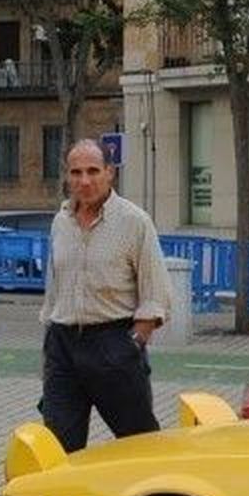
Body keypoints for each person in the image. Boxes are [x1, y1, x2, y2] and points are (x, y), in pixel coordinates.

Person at [39, 139, 172, 452]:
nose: (84, 181)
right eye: (76, 172)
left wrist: (133, 345)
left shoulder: (135, 222)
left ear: (110, 173)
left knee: (139, 446)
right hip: (63, 348)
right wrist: (50, 341)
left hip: (113, 344)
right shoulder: (61, 222)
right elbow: (53, 287)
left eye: (93, 171)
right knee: (59, 448)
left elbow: (155, 294)